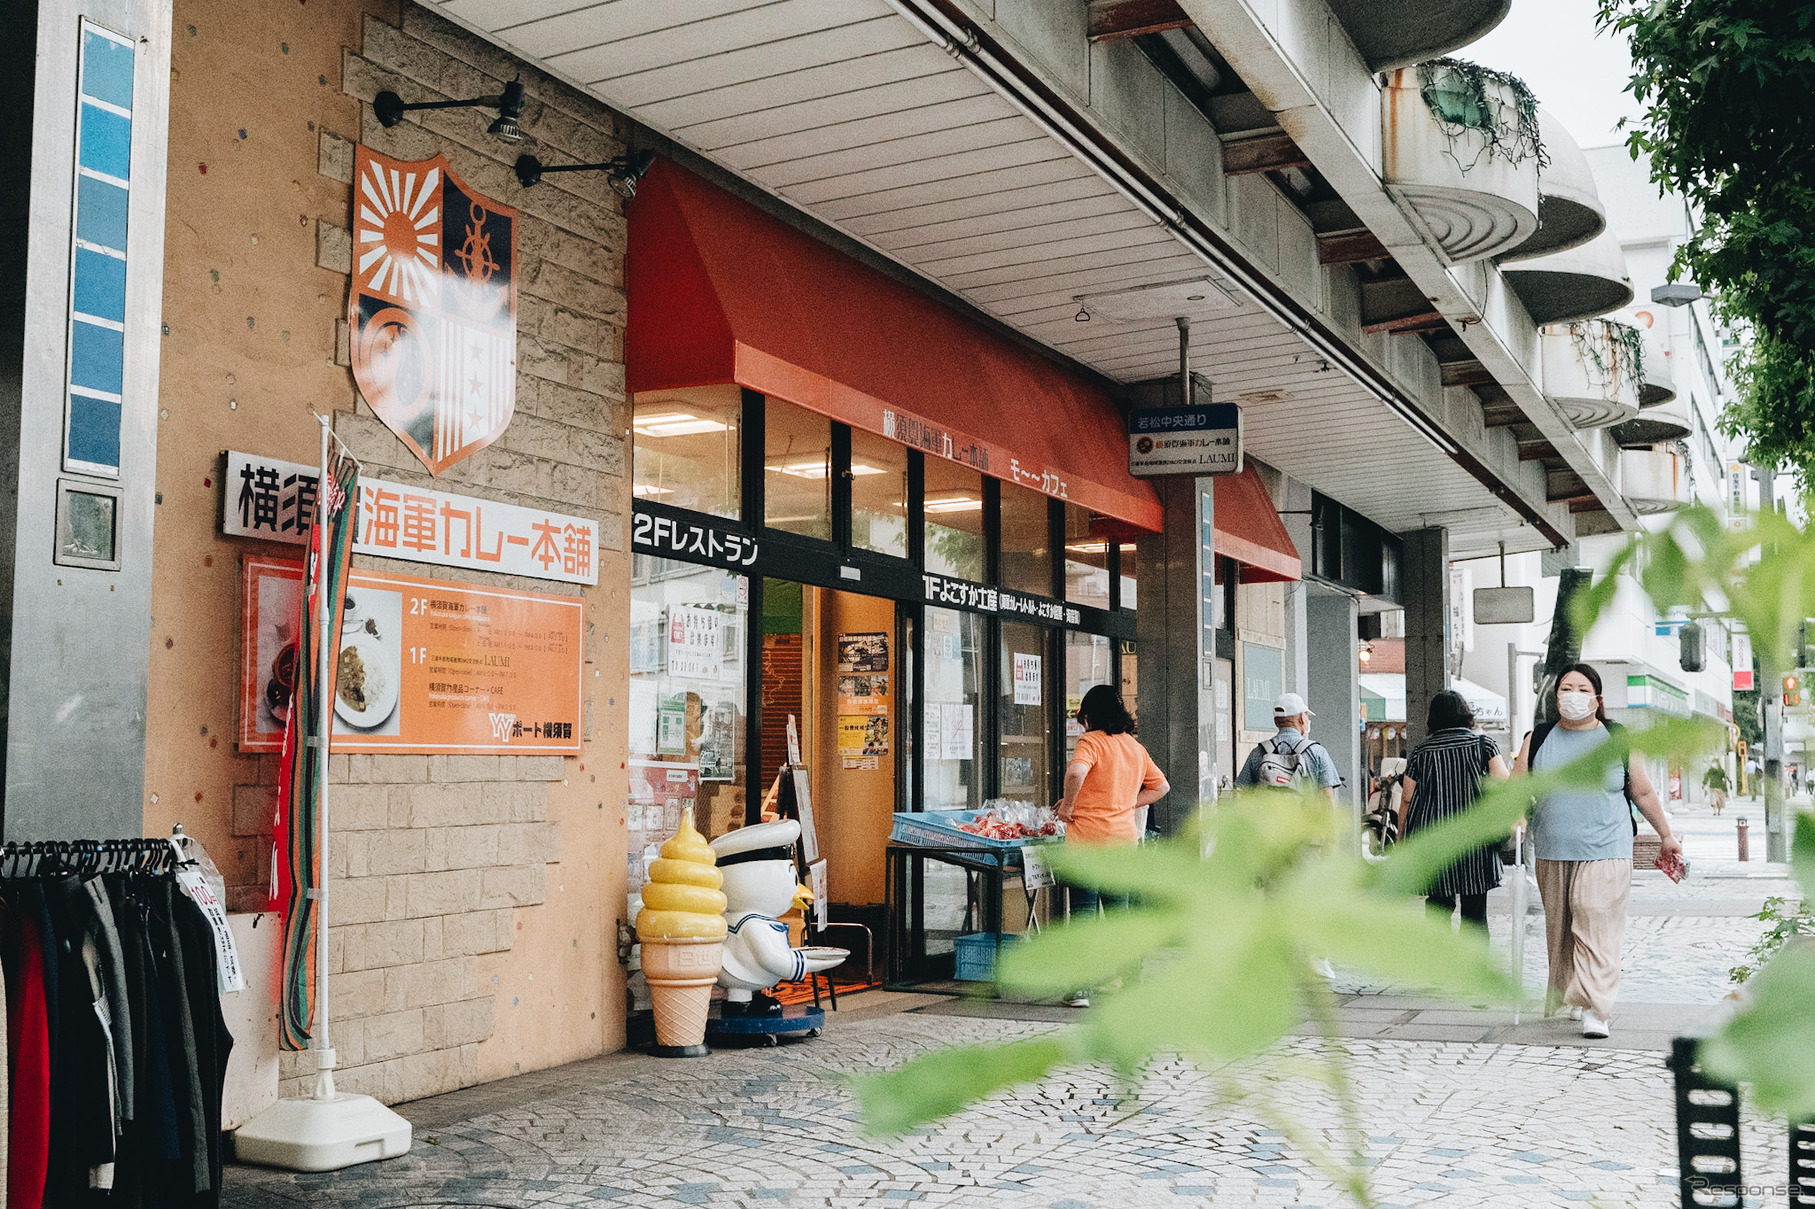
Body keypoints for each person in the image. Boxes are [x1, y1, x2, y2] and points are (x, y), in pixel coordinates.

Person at [1514, 663, 1682, 1039]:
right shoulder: (1538, 738)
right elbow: (1517, 788)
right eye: (1566, 689)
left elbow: (1641, 792)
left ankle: (1596, 1007)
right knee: (1561, 930)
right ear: (1555, 697)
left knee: (1595, 919)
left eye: (1581, 689)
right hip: (1554, 848)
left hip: (1607, 847)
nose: (1573, 696)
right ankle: (1569, 995)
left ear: (1597, 698)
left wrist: (1666, 835)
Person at [1054, 684, 1169, 1008]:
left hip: (1087, 845)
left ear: (1089, 716)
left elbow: (1077, 772)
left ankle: (1080, 989)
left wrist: (1067, 808)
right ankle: (1132, 983)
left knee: (1083, 918)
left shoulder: (1091, 741)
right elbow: (1161, 786)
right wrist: (1125, 805)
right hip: (1121, 845)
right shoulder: (1134, 747)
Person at [1397, 690, 1512, 927]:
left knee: (1438, 907)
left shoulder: (1421, 752)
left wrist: (1401, 837)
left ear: (1433, 718)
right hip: (1475, 841)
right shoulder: (1484, 744)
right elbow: (1503, 784)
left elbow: (1407, 798)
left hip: (1434, 840)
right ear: (1465, 714)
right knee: (1475, 912)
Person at [1236, 693, 1343, 800]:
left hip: (1268, 816)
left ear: (1276, 722)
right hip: (1305, 816)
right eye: (1306, 715)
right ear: (1302, 718)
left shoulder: (1259, 752)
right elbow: (1326, 796)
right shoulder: (1317, 752)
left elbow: (1244, 794)